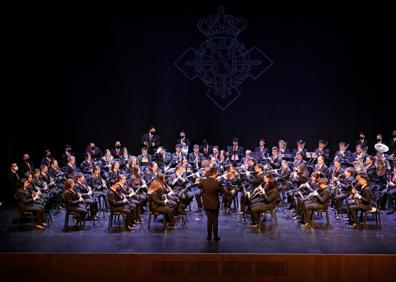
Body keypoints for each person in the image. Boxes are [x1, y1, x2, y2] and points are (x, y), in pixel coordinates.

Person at [199, 167, 234, 241]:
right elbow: (225, 193)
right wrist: (232, 192)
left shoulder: (203, 181)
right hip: (214, 204)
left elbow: (198, 185)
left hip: (206, 203)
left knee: (209, 220)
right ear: (214, 173)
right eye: (217, 172)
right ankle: (215, 236)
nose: (218, 173)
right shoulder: (217, 183)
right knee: (215, 220)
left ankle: (209, 236)